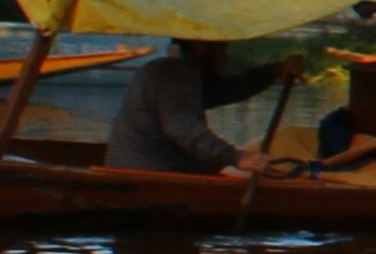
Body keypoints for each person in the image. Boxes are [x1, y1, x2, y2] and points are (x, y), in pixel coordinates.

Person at [105, 39, 300, 173]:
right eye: (222, 50)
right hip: (150, 173)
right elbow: (182, 128)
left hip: (148, 169)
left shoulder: (174, 72)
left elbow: (223, 91)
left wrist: (275, 70)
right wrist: (237, 158)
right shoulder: (176, 74)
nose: (226, 58)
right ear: (201, 47)